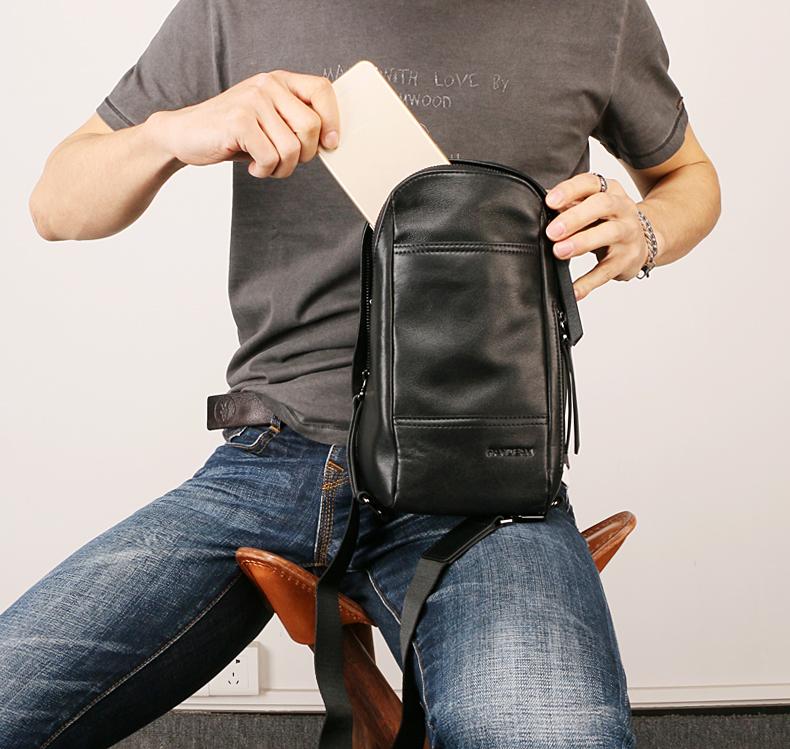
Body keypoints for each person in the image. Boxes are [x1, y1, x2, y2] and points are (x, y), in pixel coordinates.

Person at [5, 1, 720, 747]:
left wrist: (646, 229)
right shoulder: (234, 10)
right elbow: (56, 206)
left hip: (484, 477)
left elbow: (689, 175)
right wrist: (169, 135)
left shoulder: (599, 12)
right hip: (268, 460)